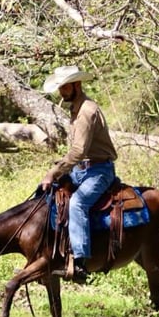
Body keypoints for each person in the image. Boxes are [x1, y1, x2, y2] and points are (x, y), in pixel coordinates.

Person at [40, 65, 118, 284]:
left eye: (65, 87)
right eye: (60, 88)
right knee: (53, 196)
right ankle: (53, 252)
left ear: (77, 84)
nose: (62, 92)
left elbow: (78, 151)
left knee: (77, 204)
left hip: (99, 171)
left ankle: (81, 263)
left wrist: (53, 171)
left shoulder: (86, 111)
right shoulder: (76, 108)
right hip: (81, 170)